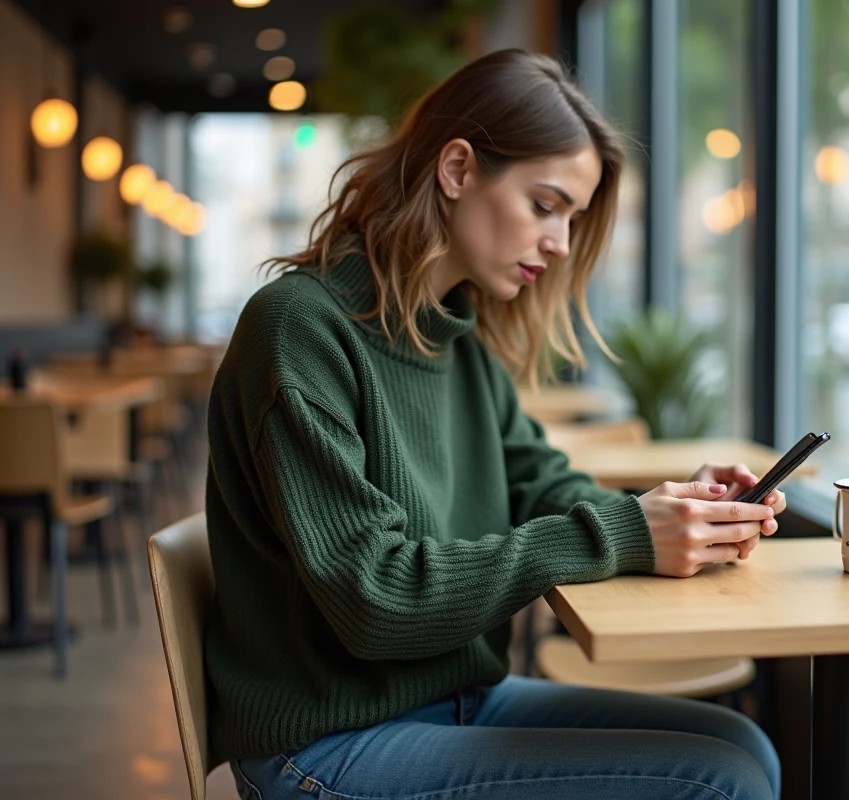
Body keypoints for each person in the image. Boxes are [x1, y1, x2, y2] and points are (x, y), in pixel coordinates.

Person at [206, 49, 786, 800]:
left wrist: (676, 509)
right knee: (723, 783)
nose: (561, 243)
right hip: (327, 742)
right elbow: (375, 599)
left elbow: (543, 487)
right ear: (456, 170)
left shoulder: (457, 340)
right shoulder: (299, 329)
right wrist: (623, 534)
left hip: (459, 698)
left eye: (572, 218)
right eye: (545, 205)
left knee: (744, 744)